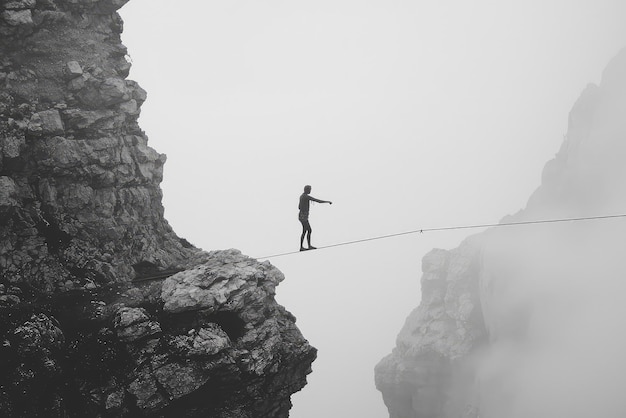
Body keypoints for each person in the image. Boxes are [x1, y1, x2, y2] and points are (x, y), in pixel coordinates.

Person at [298, 185, 332, 251]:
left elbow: (299, 207)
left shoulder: (302, 196)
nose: (310, 190)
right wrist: (327, 202)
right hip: (303, 216)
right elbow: (317, 200)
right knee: (309, 230)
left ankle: (303, 246)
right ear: (307, 190)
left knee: (305, 230)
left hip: (302, 215)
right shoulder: (305, 196)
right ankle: (307, 246)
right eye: (310, 189)